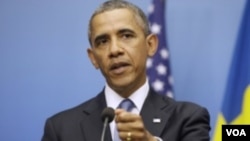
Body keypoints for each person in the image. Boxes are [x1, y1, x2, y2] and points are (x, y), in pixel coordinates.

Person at [41, 0, 211, 141]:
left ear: (150, 45)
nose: (114, 50)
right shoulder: (60, 129)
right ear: (93, 58)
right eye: (102, 41)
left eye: (126, 36)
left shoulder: (188, 119)